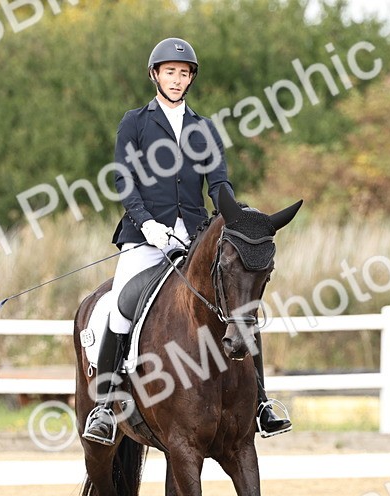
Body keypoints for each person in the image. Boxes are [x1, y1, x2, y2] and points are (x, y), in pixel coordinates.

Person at [82, 36, 292, 444]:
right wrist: (145, 224)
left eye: (183, 74)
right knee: (123, 305)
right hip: (145, 238)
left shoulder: (203, 128)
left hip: (194, 238)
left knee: (238, 305)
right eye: (170, 73)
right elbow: (124, 179)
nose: (177, 80)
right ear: (155, 75)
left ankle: (261, 403)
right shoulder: (135, 122)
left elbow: (218, 182)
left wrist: (235, 213)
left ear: (190, 79)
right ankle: (106, 406)